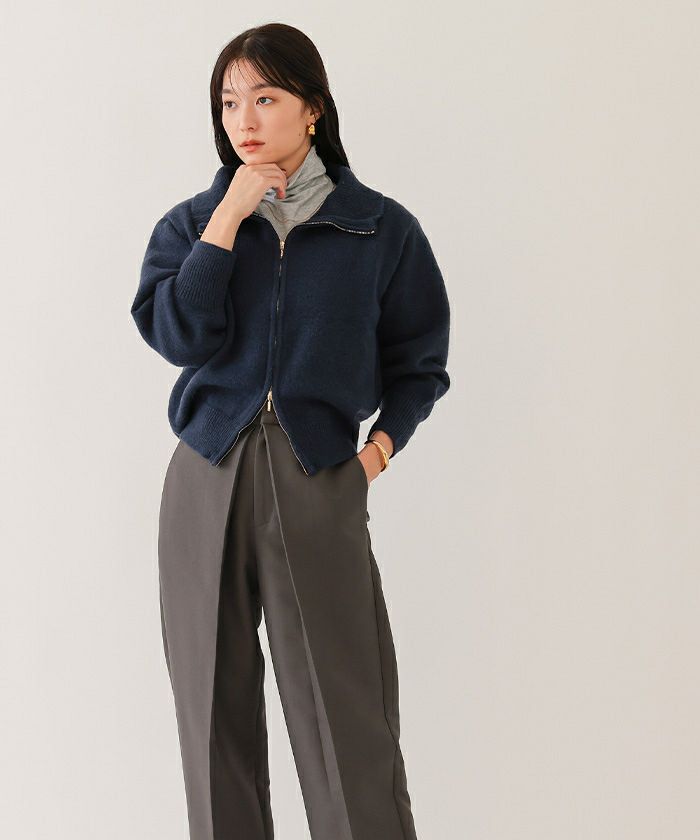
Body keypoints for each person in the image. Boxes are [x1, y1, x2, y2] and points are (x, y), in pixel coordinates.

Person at [130, 22, 450, 840]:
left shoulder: (378, 229)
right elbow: (179, 335)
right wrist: (227, 218)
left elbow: (419, 362)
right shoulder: (192, 224)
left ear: (312, 108)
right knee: (212, 719)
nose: (244, 118)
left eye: (265, 97)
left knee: (347, 717)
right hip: (205, 475)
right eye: (229, 102)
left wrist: (375, 454)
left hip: (318, 476)